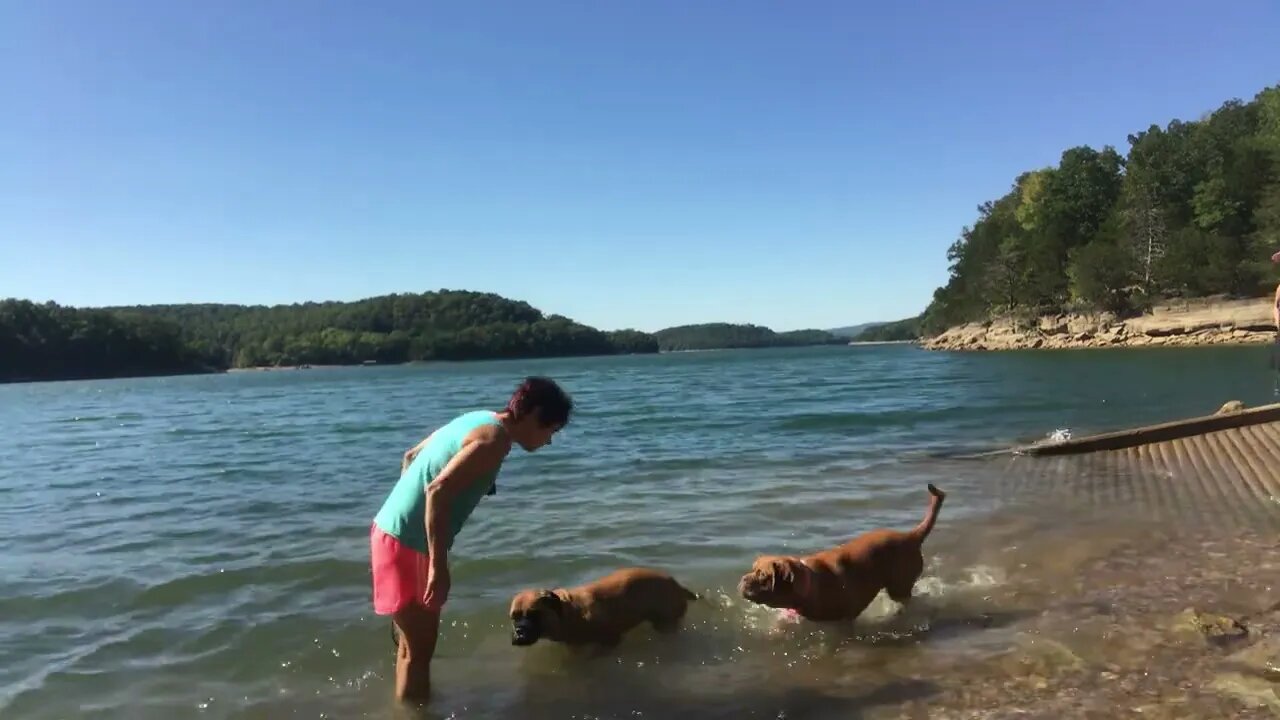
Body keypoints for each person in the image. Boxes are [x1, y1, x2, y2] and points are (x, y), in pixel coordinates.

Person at [369, 376, 573, 703]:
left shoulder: (478, 419)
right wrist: (437, 564)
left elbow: (410, 457)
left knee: (411, 649)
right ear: (535, 415)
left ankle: (410, 709)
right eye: (553, 430)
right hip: (410, 546)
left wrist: (405, 515)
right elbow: (437, 490)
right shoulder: (494, 440)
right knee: (418, 654)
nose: (549, 441)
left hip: (390, 534)